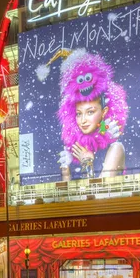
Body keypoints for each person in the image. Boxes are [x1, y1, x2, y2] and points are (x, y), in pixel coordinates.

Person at [54, 48, 128, 180]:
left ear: (104, 112)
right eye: (78, 113)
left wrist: (87, 162)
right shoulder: (74, 151)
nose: (83, 120)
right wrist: (66, 171)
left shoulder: (115, 148)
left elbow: (99, 195)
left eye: (90, 112)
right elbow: (66, 196)